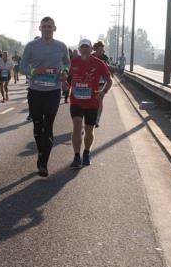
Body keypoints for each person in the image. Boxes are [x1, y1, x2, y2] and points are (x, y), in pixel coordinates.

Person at [19, 18, 70, 177]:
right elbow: (22, 68)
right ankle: (41, 153)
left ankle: (43, 163)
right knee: (37, 125)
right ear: (40, 28)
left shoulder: (61, 46)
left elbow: (67, 64)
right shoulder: (31, 46)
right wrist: (34, 72)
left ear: (55, 28)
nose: (47, 29)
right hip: (35, 91)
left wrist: (65, 73)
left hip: (53, 91)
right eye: (44, 27)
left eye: (50, 27)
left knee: (48, 126)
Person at [68, 39, 112, 168]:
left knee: (89, 129)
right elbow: (65, 75)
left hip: (92, 102)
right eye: (82, 47)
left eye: (87, 47)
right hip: (76, 100)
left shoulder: (99, 63)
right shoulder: (73, 62)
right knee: (77, 126)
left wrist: (103, 92)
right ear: (79, 49)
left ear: (91, 48)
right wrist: (64, 82)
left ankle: (86, 153)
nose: (85, 49)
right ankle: (76, 156)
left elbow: (109, 81)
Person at [92, 41, 111, 127]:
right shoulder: (91, 57)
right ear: (95, 49)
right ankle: (91, 117)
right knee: (92, 100)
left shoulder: (104, 57)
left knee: (99, 100)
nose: (101, 51)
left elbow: (108, 68)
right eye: (100, 49)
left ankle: (97, 119)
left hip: (102, 82)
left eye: (102, 49)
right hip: (91, 82)